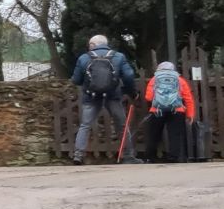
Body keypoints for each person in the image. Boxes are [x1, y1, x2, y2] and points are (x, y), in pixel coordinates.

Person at [71, 34, 143, 165]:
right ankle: (128, 156)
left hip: (90, 96)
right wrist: (130, 92)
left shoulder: (84, 58)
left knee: (85, 125)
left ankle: (78, 154)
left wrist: (89, 83)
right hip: (113, 95)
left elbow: (76, 80)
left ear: (92, 45)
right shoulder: (118, 56)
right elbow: (129, 75)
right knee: (121, 125)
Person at [140, 62, 196, 163]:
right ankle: (174, 157)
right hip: (177, 110)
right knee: (175, 134)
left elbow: (148, 97)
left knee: (154, 134)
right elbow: (188, 99)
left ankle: (150, 157)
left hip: (157, 110)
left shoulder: (154, 79)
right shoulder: (180, 80)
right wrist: (190, 114)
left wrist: (160, 100)